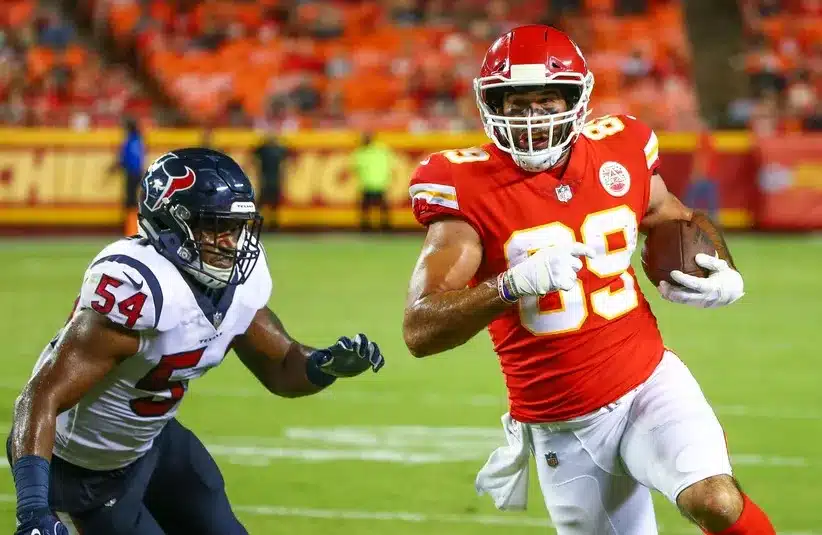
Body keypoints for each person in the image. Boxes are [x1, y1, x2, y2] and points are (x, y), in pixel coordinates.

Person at [402, 25, 773, 535]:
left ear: (577, 100)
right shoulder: (461, 186)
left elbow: (674, 218)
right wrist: (511, 285)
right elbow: (419, 330)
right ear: (491, 105)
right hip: (564, 422)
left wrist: (723, 268)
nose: (532, 118)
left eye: (547, 101)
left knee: (716, 500)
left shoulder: (622, 146)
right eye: (516, 102)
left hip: (648, 380)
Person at [9, 148, 385, 535]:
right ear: (169, 223)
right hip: (86, 468)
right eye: (214, 226)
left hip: (154, 440)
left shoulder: (238, 283)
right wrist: (34, 511)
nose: (229, 243)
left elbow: (282, 366)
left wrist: (323, 365)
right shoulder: (140, 290)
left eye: (236, 227)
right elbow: (39, 398)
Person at [109, 116, 145, 236]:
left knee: (130, 201)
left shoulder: (130, 141)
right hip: (137, 173)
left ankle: (131, 230)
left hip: (132, 173)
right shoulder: (138, 139)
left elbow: (127, 159)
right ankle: (132, 229)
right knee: (132, 201)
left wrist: (114, 167)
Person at [351, 132, 393, 231]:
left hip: (369, 183)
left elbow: (355, 167)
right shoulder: (381, 150)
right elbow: (389, 164)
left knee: (366, 208)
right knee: (381, 208)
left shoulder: (360, 152)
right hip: (379, 183)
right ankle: (385, 227)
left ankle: (366, 227)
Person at [252, 132, 288, 229]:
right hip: (268, 179)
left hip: (271, 179)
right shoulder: (269, 149)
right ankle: (266, 222)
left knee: (272, 204)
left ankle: (271, 223)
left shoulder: (268, 150)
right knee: (265, 203)